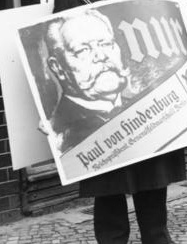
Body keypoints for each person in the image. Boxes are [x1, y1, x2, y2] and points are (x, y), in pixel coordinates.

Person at [50, 0, 187, 244]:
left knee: (153, 172)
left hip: (145, 100)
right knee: (108, 178)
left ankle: (158, 237)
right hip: (102, 108)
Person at [45, 9, 130, 153]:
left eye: (106, 44)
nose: (101, 56)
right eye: (82, 50)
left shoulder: (139, 104)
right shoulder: (59, 130)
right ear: (58, 67)